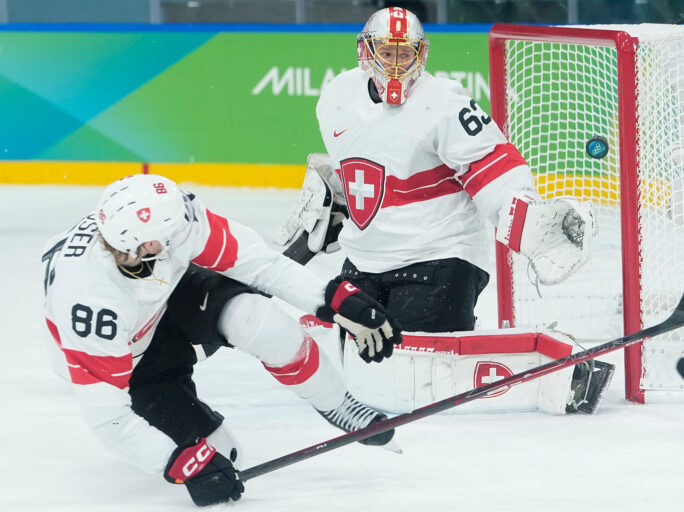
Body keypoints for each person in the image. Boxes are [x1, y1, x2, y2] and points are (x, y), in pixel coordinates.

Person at [275, 6, 613, 414]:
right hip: (366, 260)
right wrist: (333, 200)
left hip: (439, 259)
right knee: (356, 369)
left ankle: (552, 369)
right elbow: (357, 169)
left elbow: (491, 165)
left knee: (425, 380)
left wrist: (527, 218)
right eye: (387, 52)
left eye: (406, 54)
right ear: (365, 51)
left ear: (422, 54)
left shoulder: (445, 102)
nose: (397, 65)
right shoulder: (335, 98)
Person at [40, 174, 402, 507]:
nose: (189, 221)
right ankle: (194, 352)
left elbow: (259, 265)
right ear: (149, 244)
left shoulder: (165, 222)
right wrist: (178, 463)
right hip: (134, 359)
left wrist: (333, 296)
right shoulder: (91, 302)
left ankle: (339, 403)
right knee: (223, 459)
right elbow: (109, 419)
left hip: (165, 296)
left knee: (259, 321)